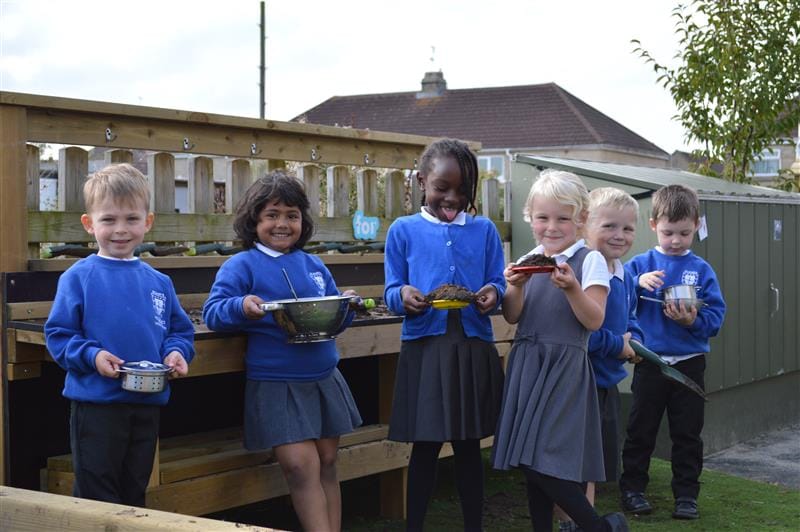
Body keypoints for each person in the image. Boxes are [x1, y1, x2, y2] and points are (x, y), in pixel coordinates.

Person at [203, 171, 362, 532]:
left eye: (291, 215)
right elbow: (214, 312)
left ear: (302, 221)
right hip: (277, 383)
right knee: (299, 467)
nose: (282, 223)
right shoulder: (241, 265)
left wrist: (346, 308)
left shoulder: (314, 265)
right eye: (272, 214)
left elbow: (331, 322)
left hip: (323, 378)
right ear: (254, 220)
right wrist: (241, 305)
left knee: (327, 462)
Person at [44, 163, 195, 506]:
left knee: (134, 493)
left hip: (146, 406)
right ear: (89, 224)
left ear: (148, 222)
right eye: (109, 220)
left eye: (131, 219)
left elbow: (179, 332)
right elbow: (58, 336)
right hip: (97, 406)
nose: (121, 230)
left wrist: (176, 353)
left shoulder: (160, 282)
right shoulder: (78, 277)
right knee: (96, 497)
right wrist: (92, 356)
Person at [492, 170, 629, 532]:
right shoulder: (528, 257)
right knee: (528, 460)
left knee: (544, 462)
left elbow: (595, 320)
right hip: (527, 365)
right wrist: (514, 287)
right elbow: (512, 315)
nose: (551, 227)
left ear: (581, 220)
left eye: (562, 218)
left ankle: (598, 527)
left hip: (564, 369)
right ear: (530, 218)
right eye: (543, 217)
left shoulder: (590, 260)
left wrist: (571, 289)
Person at [383, 138, 506, 532]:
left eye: (462, 190)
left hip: (471, 346)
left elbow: (496, 282)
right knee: (426, 445)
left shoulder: (484, 230)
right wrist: (402, 295)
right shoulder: (402, 231)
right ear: (421, 181)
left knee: (470, 447)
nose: (452, 198)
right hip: (425, 347)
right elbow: (391, 290)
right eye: (441, 188)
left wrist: (494, 294)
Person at [619, 184, 725, 520]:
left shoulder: (702, 270)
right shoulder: (638, 265)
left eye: (684, 232)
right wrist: (635, 284)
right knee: (640, 430)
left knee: (687, 434)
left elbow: (716, 318)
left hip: (690, 365)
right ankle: (633, 489)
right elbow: (617, 305)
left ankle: (686, 496)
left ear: (697, 224)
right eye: (668, 232)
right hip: (650, 362)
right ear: (653, 226)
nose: (676, 240)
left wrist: (693, 320)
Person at [557, 187, 645, 531]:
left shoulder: (625, 275)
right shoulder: (582, 273)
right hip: (580, 380)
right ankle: (570, 525)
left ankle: (582, 523)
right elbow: (582, 334)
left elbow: (631, 319)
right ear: (584, 225)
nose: (619, 236)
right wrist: (617, 346)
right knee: (571, 464)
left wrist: (635, 342)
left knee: (591, 464)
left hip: (608, 382)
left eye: (627, 228)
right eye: (609, 226)